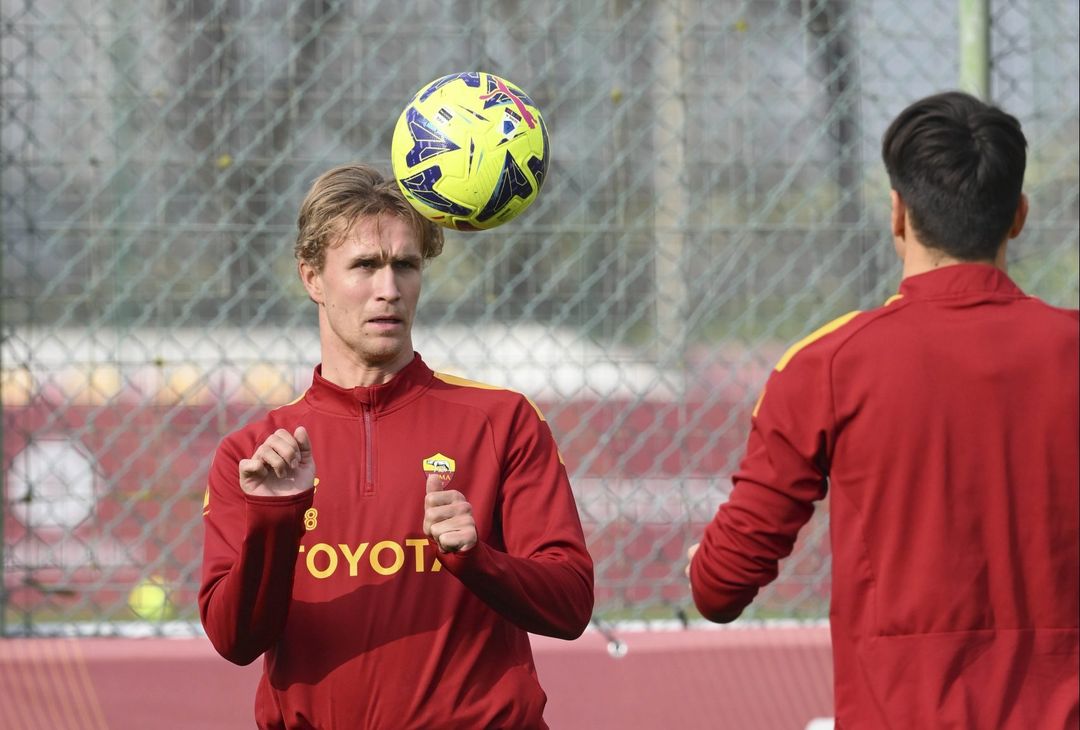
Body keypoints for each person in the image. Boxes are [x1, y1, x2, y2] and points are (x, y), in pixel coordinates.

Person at [688, 91, 1079, 728]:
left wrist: (703, 567)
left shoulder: (829, 364)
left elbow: (720, 587)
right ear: (1019, 217)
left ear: (898, 215)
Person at [199, 164, 594, 729]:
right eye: (364, 265)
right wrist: (274, 519)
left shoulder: (502, 420)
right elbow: (234, 640)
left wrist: (476, 560)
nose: (389, 289)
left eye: (405, 265)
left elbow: (571, 604)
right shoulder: (256, 455)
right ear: (312, 277)